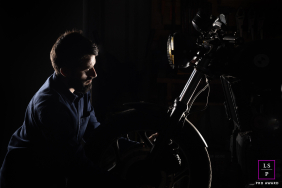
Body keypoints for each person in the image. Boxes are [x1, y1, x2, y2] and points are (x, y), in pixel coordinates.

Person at [0, 30, 149, 188]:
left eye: (94, 66)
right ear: (65, 71)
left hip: (50, 174)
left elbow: (98, 133)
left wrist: (141, 148)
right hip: (25, 180)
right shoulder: (50, 106)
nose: (94, 74)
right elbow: (76, 165)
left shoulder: (79, 87)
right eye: (87, 70)